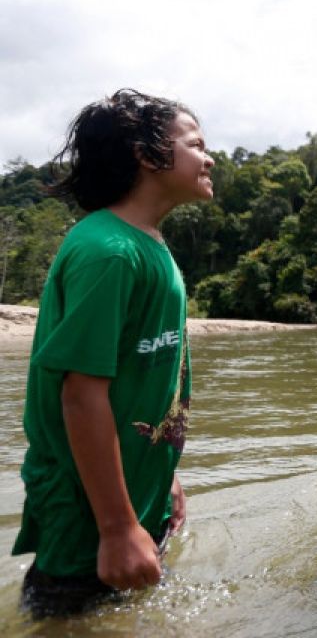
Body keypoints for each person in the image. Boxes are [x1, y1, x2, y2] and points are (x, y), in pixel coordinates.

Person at [12, 89, 214, 617]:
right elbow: (80, 396)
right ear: (148, 157)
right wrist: (117, 527)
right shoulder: (108, 252)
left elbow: (146, 380)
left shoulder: (148, 243)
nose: (209, 157)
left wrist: (164, 473)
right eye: (195, 144)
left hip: (131, 505)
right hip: (87, 524)